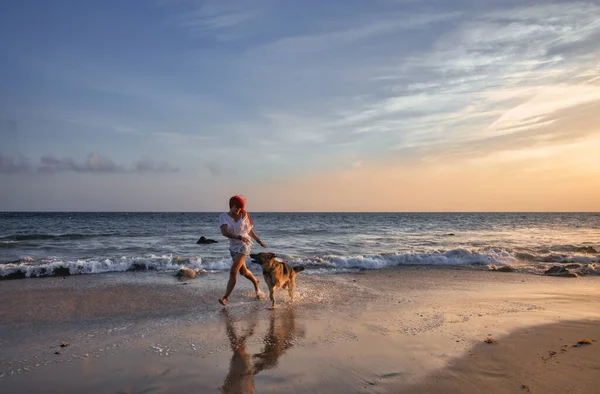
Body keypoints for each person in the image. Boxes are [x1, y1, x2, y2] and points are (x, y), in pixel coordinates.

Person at [218, 195, 267, 306]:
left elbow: (249, 231)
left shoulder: (244, 215)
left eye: (240, 208)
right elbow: (224, 232)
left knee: (233, 271)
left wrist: (259, 241)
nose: (238, 210)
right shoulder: (223, 217)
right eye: (236, 208)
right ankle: (256, 281)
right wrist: (239, 237)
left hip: (245, 245)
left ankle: (225, 298)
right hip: (233, 247)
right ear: (231, 206)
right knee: (243, 272)